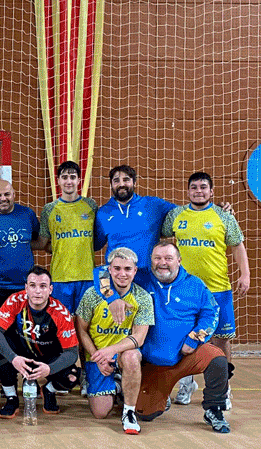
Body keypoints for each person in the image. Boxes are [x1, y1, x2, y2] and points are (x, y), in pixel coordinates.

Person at [162, 172, 249, 409]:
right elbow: (165, 242)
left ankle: (224, 389)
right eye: (194, 187)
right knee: (185, 337)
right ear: (188, 191)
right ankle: (186, 384)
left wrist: (245, 274)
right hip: (186, 291)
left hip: (219, 289)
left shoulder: (223, 216)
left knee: (221, 340)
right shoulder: (176, 216)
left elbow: (238, 246)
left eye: (203, 187)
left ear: (211, 192)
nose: (198, 191)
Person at [135, 241, 231, 433]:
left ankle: (214, 408)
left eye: (168, 258)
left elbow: (211, 314)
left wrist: (194, 339)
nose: (162, 263)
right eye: (157, 258)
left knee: (218, 359)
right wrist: (111, 297)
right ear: (150, 260)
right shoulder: (139, 277)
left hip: (186, 356)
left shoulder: (194, 284)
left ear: (179, 261)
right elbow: (101, 273)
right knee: (144, 413)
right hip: (152, 362)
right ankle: (160, 395)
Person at [75, 247, 153, 434]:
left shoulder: (142, 297)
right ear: (108, 269)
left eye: (127, 269)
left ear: (135, 271)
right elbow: (81, 330)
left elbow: (139, 338)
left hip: (121, 354)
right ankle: (119, 385)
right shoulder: (92, 294)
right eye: (117, 268)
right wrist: (97, 356)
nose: (122, 274)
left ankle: (129, 413)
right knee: (101, 412)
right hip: (98, 355)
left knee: (132, 357)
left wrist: (112, 350)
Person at [0, 266, 80, 418]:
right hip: (21, 354)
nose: (37, 291)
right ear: (26, 288)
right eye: (33, 285)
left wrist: (49, 368)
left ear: (50, 289)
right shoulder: (15, 301)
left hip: (47, 358)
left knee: (72, 376)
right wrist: (13, 358)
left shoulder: (61, 313)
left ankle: (48, 390)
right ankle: (11, 398)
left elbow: (72, 353)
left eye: (43, 286)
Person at [94, 165, 176, 291]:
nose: (121, 184)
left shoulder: (153, 204)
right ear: (111, 185)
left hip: (148, 277)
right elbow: (96, 245)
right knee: (116, 308)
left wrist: (216, 209)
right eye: (116, 181)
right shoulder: (103, 212)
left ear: (134, 182)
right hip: (117, 278)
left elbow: (183, 213)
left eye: (126, 180)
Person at [34, 161, 98, 314]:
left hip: (87, 276)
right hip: (60, 277)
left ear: (79, 180)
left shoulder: (91, 205)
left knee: (86, 324)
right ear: (58, 180)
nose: (69, 181)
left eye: (72, 177)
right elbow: (43, 242)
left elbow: (96, 239)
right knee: (62, 324)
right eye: (64, 177)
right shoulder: (49, 209)